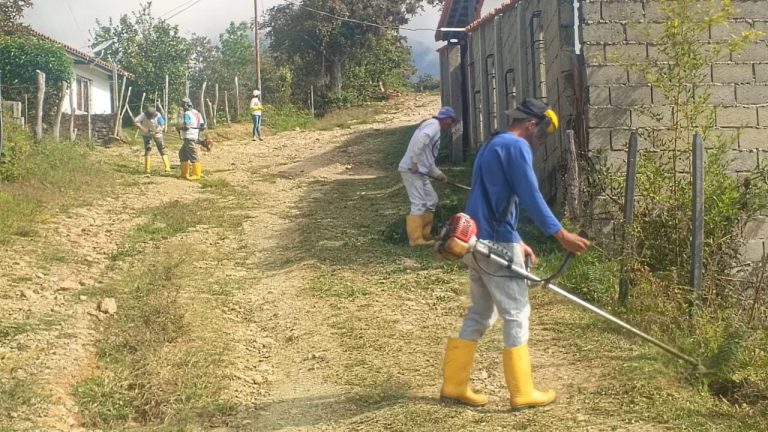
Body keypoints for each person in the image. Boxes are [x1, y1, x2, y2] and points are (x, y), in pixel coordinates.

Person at [439, 98, 590, 410]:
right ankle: (522, 392)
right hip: (494, 243)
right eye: (543, 132)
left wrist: (516, 237)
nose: (540, 139)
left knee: (481, 313)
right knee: (517, 313)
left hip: (474, 239)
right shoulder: (516, 147)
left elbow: (493, 198)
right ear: (532, 124)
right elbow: (530, 195)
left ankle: (454, 385)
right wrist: (561, 235)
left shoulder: (492, 144)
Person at [398, 106, 456, 246]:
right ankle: (415, 239)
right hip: (411, 169)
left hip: (420, 171)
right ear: (446, 118)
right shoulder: (434, 125)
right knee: (418, 202)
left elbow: (428, 160)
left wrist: (439, 174)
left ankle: (425, 234)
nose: (451, 124)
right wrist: (415, 161)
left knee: (431, 200)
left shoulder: (434, 127)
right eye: (451, 121)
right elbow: (422, 140)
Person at [176, 97, 205, 180]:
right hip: (194, 135)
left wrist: (179, 128)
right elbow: (202, 126)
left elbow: (186, 126)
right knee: (182, 154)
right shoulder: (197, 113)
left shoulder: (187, 114)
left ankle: (197, 174)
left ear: (185, 105)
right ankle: (184, 173)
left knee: (193, 155)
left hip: (189, 136)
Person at [133, 107, 169, 174]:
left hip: (157, 134)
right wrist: (142, 128)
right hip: (147, 135)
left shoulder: (158, 115)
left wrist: (160, 129)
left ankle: (167, 167)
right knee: (148, 149)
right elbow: (135, 121)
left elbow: (162, 125)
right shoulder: (143, 115)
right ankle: (147, 169)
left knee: (162, 149)